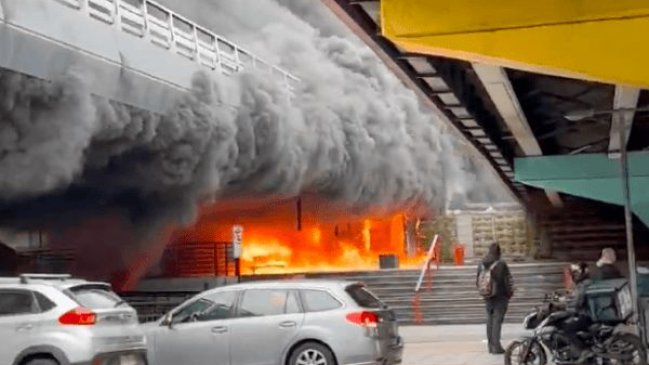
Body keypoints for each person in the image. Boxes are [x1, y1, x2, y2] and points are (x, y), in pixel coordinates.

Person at [476, 243, 514, 354]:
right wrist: (509, 293)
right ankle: (496, 347)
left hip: (487, 296)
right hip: (500, 296)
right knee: (497, 320)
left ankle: (490, 346)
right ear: (499, 252)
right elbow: (507, 281)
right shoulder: (501, 264)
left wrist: (484, 292)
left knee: (490, 320)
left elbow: (477, 280)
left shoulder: (481, 264)